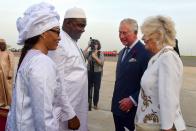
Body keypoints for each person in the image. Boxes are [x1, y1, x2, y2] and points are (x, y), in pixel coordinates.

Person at [6, 2, 61, 131]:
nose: (59, 38)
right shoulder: (41, 62)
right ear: (43, 32)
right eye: (57, 32)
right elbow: (43, 117)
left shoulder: (30, 57)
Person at [135, 15, 186, 131]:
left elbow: (169, 98)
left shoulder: (168, 57)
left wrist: (167, 128)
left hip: (157, 126)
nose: (142, 38)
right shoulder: (158, 58)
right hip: (148, 124)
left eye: (145, 34)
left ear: (158, 35)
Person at [48, 7, 88, 131]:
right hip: (66, 111)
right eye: (80, 25)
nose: (83, 30)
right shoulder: (59, 43)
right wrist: (69, 115)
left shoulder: (71, 41)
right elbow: (57, 82)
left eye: (84, 26)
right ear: (67, 23)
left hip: (77, 105)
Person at [111, 18, 151, 131]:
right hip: (118, 108)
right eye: (119, 32)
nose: (121, 36)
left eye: (125, 33)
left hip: (132, 110)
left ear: (135, 33)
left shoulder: (145, 52)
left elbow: (150, 84)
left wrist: (133, 99)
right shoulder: (122, 52)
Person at [83, 38, 104, 111]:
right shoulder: (89, 52)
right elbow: (82, 54)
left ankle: (95, 104)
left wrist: (95, 56)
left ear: (98, 45)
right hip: (89, 72)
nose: (95, 45)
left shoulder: (100, 53)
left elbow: (101, 63)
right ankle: (88, 103)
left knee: (96, 89)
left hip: (97, 73)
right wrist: (88, 45)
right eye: (93, 44)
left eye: (96, 44)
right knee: (88, 88)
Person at [0, 38, 14, 107]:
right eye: (0, 44)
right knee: (1, 89)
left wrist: (10, 73)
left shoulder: (9, 52)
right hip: (0, 75)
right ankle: (2, 102)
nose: (1, 45)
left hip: (6, 75)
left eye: (2, 44)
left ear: (5, 45)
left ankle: (11, 104)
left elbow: (12, 63)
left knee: (8, 89)